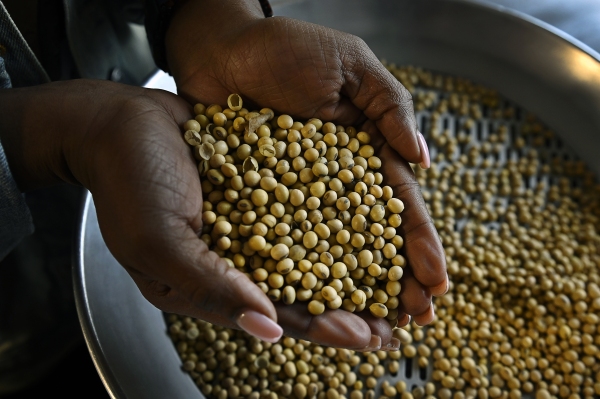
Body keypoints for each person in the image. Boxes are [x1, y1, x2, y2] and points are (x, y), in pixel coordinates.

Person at [0, 0, 447, 393]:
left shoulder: (299, 178)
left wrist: (211, 13)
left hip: (113, 41)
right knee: (30, 349)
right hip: (16, 295)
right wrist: (69, 134)